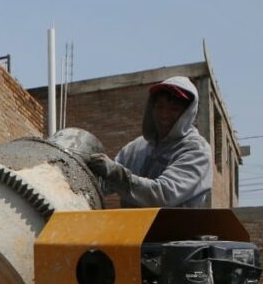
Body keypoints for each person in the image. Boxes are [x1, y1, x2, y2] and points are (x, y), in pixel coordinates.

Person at [87, 76, 212, 208]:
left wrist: (116, 174)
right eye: (159, 106)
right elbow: (103, 185)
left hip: (174, 222)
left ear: (187, 114)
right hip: (133, 222)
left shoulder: (196, 150)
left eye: (174, 109)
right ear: (151, 108)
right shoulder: (134, 149)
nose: (164, 114)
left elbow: (163, 195)